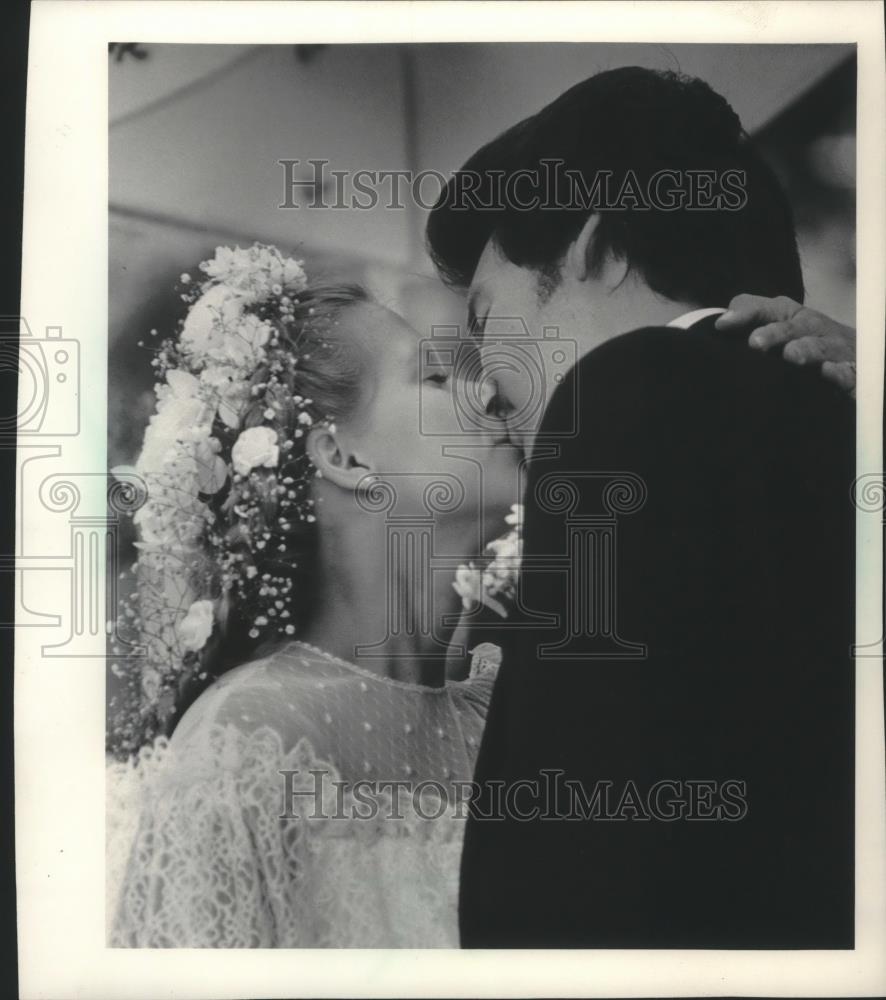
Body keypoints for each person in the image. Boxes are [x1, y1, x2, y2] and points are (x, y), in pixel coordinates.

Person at [426, 67, 856, 948]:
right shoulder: (837, 414)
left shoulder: (629, 398)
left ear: (595, 245)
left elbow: (585, 881)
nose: (484, 391)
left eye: (483, 320)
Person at [108, 247, 522, 947]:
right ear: (344, 458)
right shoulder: (246, 744)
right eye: (434, 375)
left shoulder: (507, 710)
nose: (486, 393)